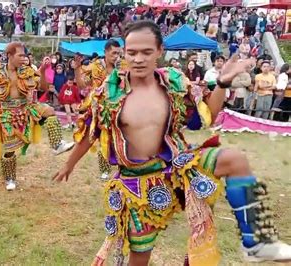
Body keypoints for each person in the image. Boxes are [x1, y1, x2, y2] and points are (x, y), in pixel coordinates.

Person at [53, 21, 291, 265]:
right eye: (132, 52)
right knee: (139, 258)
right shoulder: (108, 92)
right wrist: (69, 165)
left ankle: (256, 242)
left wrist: (222, 83)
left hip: (179, 168)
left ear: (159, 51)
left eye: (146, 52)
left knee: (234, 159)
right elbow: (89, 133)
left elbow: (207, 115)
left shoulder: (175, 82)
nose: (138, 59)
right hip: (136, 186)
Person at [0, 42, 75, 191]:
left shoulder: (26, 71)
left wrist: (42, 69)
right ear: (9, 55)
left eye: (24, 55)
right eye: (20, 55)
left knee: (49, 110)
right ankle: (9, 178)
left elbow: (42, 88)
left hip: (26, 107)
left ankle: (57, 144)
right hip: (7, 112)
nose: (23, 58)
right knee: (9, 150)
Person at [73, 39, 122, 181]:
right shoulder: (94, 67)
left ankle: (122, 165)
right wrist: (77, 69)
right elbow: (82, 86)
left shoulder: (123, 66)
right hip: (99, 108)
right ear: (105, 52)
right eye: (113, 53)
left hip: (120, 106)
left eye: (118, 53)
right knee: (104, 138)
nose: (116, 57)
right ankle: (105, 170)